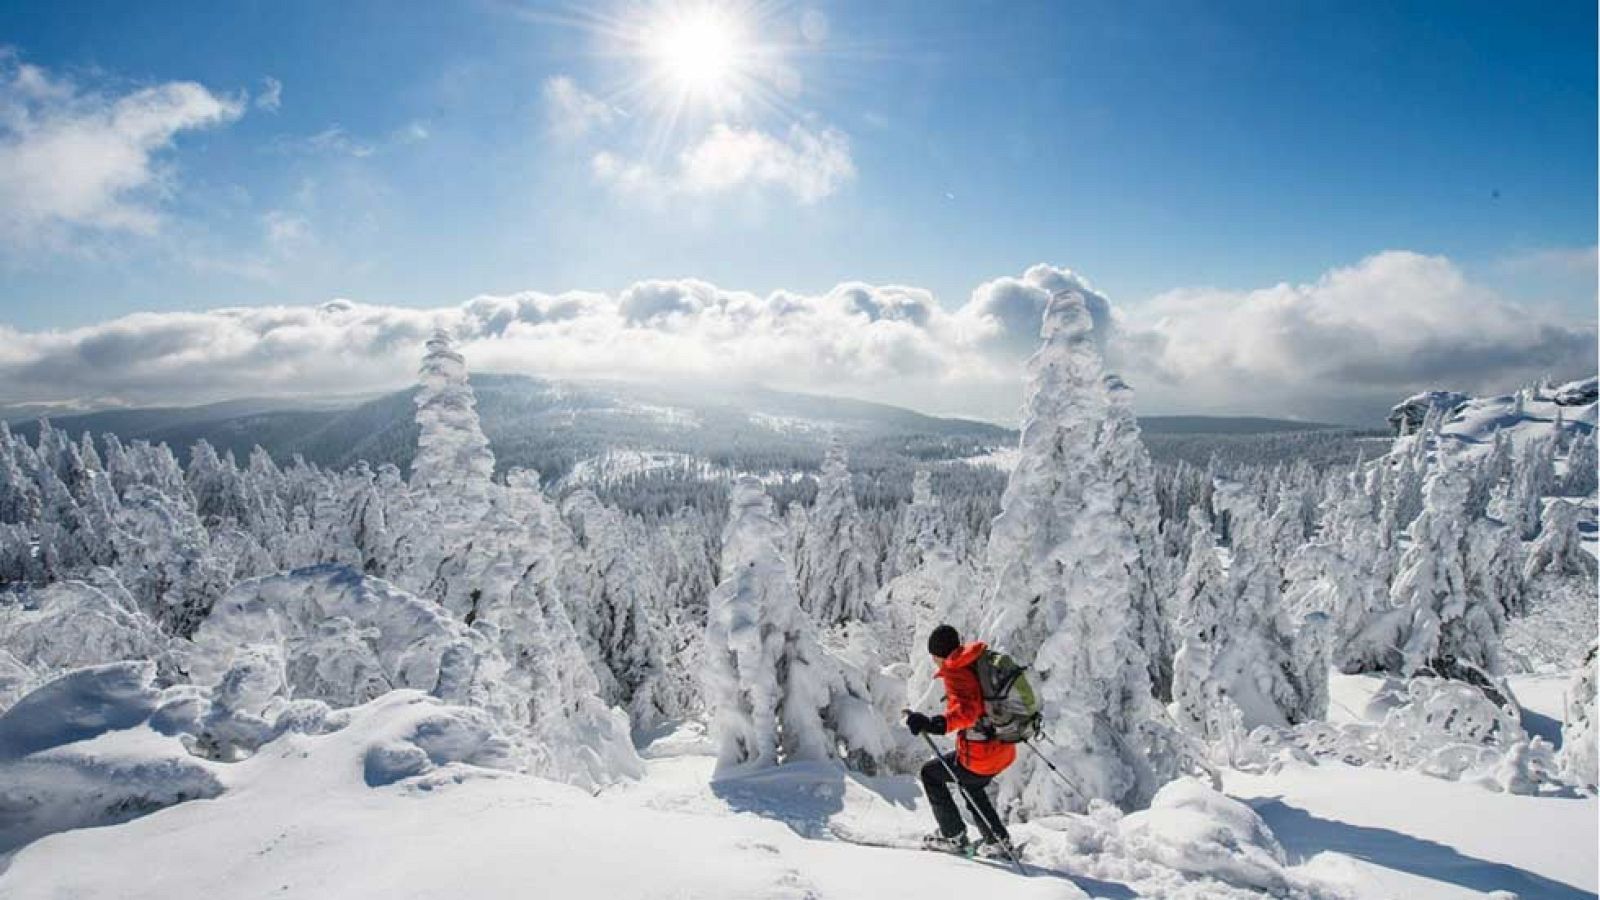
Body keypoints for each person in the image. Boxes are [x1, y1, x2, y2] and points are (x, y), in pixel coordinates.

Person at [904, 624, 1015, 853]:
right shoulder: (977, 662)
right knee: (970, 783)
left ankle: (953, 836)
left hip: (981, 755)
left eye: (934, 656)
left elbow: (968, 711)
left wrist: (935, 724)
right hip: (1004, 749)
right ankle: (997, 841)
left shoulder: (956, 671)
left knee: (930, 774)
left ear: (938, 654)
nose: (934, 661)